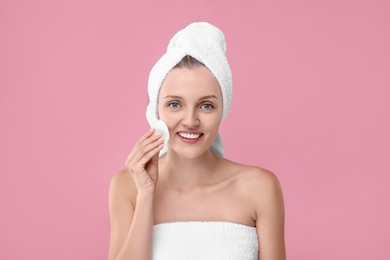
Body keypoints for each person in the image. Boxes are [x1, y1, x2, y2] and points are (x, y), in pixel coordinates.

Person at [108, 22, 286, 260]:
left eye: (206, 105)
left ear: (222, 110)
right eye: (175, 104)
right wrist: (146, 195)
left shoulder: (260, 188)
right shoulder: (127, 187)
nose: (190, 121)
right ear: (156, 112)